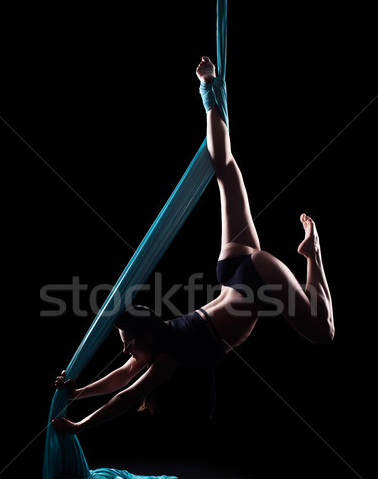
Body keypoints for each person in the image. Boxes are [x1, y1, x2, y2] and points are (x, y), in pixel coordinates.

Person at [52, 56, 334, 435]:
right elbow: (122, 376)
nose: (125, 353)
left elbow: (129, 393)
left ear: (147, 338)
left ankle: (313, 255)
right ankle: (208, 87)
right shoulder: (161, 341)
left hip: (252, 278)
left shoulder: (169, 353)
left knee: (324, 330)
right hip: (234, 270)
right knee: (227, 172)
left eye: (128, 344)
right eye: (127, 346)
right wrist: (77, 393)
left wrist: (78, 424)